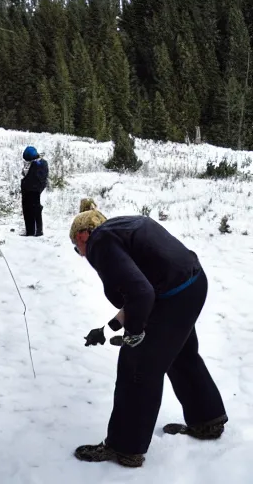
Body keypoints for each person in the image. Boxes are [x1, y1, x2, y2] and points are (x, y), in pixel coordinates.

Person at [69, 199, 228, 468]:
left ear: (83, 235)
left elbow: (141, 294)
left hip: (172, 296)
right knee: (180, 354)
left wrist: (134, 334)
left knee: (137, 367)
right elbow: (143, 289)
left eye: (77, 248)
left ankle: (125, 447)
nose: (82, 254)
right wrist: (108, 328)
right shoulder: (122, 227)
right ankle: (207, 421)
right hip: (191, 285)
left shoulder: (100, 243)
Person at [20, 145, 49, 237]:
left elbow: (39, 178)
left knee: (34, 209)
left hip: (33, 190)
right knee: (28, 209)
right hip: (29, 189)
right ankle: (30, 231)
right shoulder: (38, 163)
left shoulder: (40, 163)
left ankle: (36, 231)